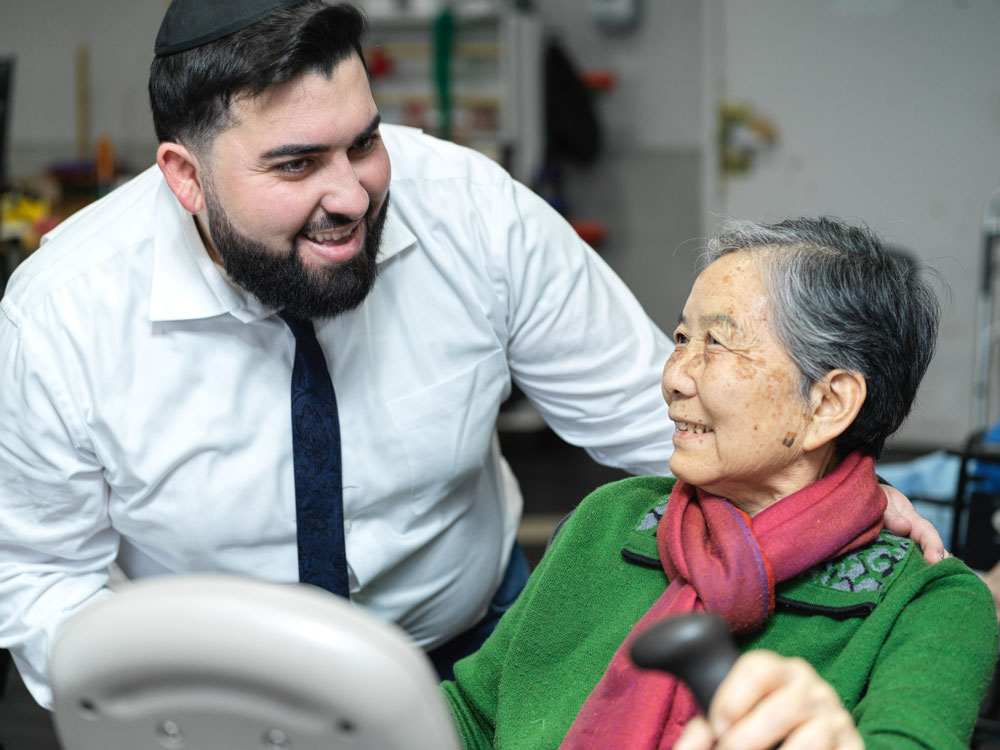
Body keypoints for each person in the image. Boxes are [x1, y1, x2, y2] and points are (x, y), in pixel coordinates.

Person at [0, 1, 940, 709]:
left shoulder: (471, 214)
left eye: (363, 142)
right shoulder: (64, 313)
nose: (352, 196)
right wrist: (143, 709)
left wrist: (828, 497)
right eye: (295, 165)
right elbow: (41, 578)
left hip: (478, 651)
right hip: (214, 694)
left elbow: (654, 415)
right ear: (184, 177)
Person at [441, 217, 997, 750]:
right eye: (682, 337)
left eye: (717, 344)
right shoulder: (610, 519)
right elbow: (470, 715)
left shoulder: (929, 602)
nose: (674, 376)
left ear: (828, 404)